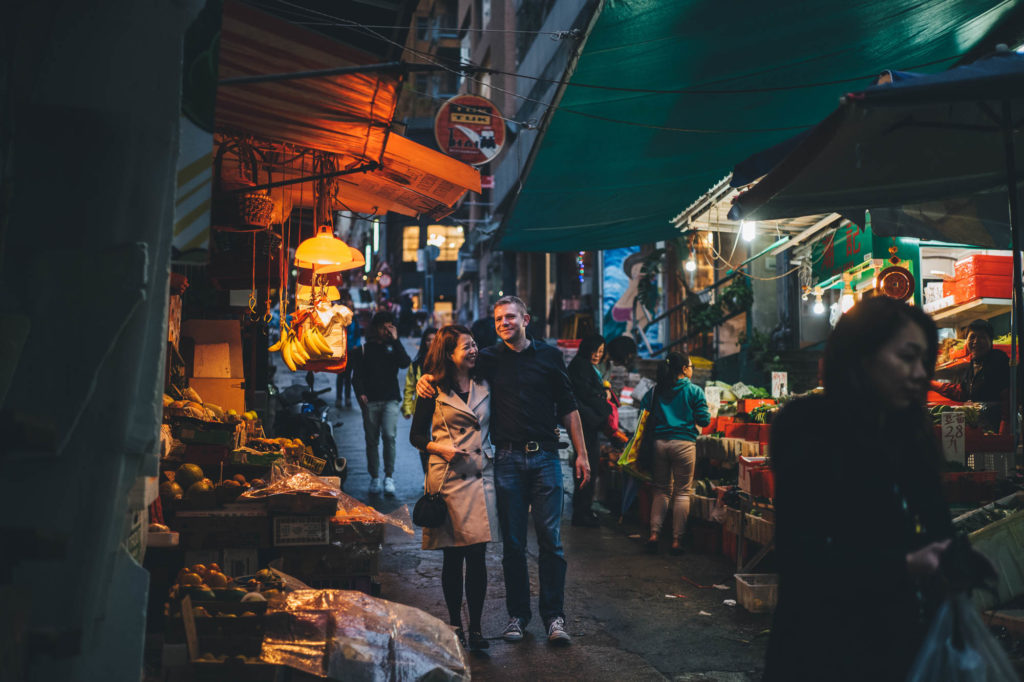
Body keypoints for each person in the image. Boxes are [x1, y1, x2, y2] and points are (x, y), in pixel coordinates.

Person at [764, 297, 976, 681]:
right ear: (862, 355)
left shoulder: (910, 433)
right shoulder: (807, 427)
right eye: (907, 357)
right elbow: (801, 558)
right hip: (820, 649)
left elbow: (935, 524)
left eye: (925, 361)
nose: (920, 373)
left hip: (901, 647)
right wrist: (907, 565)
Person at [419, 295, 590, 646]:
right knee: (512, 544)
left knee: (551, 541)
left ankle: (554, 617)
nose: (504, 323)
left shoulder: (549, 356)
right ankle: (518, 616)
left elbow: (568, 406)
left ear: (525, 319)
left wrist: (582, 454)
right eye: (498, 319)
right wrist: (426, 378)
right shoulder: (488, 359)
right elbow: (453, 366)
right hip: (507, 460)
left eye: (510, 317)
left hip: (545, 457)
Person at [409, 325, 498, 651]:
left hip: (480, 477)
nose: (474, 350)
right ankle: (455, 624)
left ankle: (477, 629)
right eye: (466, 347)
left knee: (477, 555)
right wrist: (441, 449)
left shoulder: (485, 382)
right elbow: (416, 436)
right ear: (449, 354)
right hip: (447, 478)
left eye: (475, 344)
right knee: (453, 556)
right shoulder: (431, 387)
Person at [640, 351, 710, 554]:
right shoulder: (694, 391)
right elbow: (704, 420)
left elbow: (643, 413)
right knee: (682, 493)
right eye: (691, 366)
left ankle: (654, 534)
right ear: (684, 369)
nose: (692, 369)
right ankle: (677, 541)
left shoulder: (656, 391)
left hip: (659, 444)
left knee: (661, 490)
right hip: (684, 444)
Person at [350, 311, 410, 496]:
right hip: (370, 401)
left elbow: (405, 362)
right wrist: (360, 393)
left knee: (389, 436)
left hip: (390, 399)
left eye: (390, 326)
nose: (387, 330)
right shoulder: (363, 349)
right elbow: (356, 376)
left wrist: (396, 340)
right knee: (371, 440)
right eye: (383, 327)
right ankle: (375, 477)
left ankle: (389, 476)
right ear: (375, 328)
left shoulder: (393, 347)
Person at [931, 318, 1009, 431]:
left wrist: (1004, 431)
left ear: (990, 340)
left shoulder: (999, 361)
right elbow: (963, 392)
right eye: (972, 337)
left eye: (982, 337)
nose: (976, 341)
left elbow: (1008, 400)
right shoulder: (973, 364)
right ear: (966, 340)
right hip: (980, 429)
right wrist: (932, 384)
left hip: (996, 429)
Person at [566, 334, 612, 527]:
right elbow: (585, 394)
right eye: (595, 351)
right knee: (587, 465)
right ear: (587, 349)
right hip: (584, 424)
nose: (597, 355)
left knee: (588, 465)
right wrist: (604, 398)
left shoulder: (584, 366)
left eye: (601, 352)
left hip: (586, 424)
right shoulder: (581, 367)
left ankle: (584, 509)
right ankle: (582, 512)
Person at [403, 327, 437, 472]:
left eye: (434, 339)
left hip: (440, 407)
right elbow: (409, 387)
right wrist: (407, 408)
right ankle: (427, 473)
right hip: (422, 407)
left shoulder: (446, 362)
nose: (431, 343)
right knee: (423, 442)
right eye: (428, 340)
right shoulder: (417, 364)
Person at [335, 292, 361, 408]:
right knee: (340, 376)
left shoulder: (354, 319)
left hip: (351, 351)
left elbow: (357, 335)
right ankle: (339, 398)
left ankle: (347, 398)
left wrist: (356, 345)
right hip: (341, 351)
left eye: (351, 306)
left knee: (348, 377)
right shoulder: (339, 319)